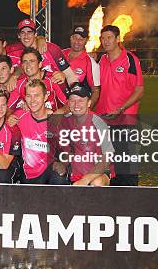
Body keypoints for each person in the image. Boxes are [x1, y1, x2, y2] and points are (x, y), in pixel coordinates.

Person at [95, 24, 144, 186]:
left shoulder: (130, 59)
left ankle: (130, 199)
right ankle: (115, 199)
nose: (106, 41)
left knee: (127, 163)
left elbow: (139, 90)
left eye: (109, 37)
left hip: (125, 119)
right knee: (110, 162)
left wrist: (121, 108)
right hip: (104, 119)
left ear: (118, 39)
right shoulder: (101, 60)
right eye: (103, 38)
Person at [10, 79, 69, 184]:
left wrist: (63, 164)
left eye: (36, 95)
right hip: (27, 174)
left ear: (45, 97)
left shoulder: (56, 120)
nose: (32, 100)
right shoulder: (19, 117)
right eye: (29, 96)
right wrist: (8, 121)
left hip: (50, 170)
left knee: (59, 176)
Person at [59, 82, 114, 186]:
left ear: (89, 103)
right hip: (74, 171)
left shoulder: (99, 123)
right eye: (72, 100)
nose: (76, 105)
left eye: (80, 101)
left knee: (97, 183)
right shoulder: (64, 122)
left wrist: (85, 180)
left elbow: (107, 158)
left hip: (96, 173)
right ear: (68, 103)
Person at [6, 18, 79, 85]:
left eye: (29, 32)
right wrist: (14, 76)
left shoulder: (51, 49)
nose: (26, 36)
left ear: (35, 34)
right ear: (18, 35)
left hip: (57, 95)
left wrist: (75, 93)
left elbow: (69, 75)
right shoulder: (14, 51)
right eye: (22, 33)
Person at [8, 47, 68, 112]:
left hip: (53, 119)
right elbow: (8, 108)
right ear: (22, 65)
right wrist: (10, 116)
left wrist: (60, 112)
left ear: (40, 64)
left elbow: (69, 104)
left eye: (32, 61)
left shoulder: (53, 79)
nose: (28, 65)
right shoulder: (19, 84)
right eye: (25, 62)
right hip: (31, 120)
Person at [62, 25, 100, 106]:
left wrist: (88, 108)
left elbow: (96, 90)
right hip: (58, 105)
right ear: (71, 38)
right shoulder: (60, 54)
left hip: (77, 107)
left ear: (86, 41)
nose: (77, 41)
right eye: (75, 37)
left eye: (81, 39)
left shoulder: (90, 62)